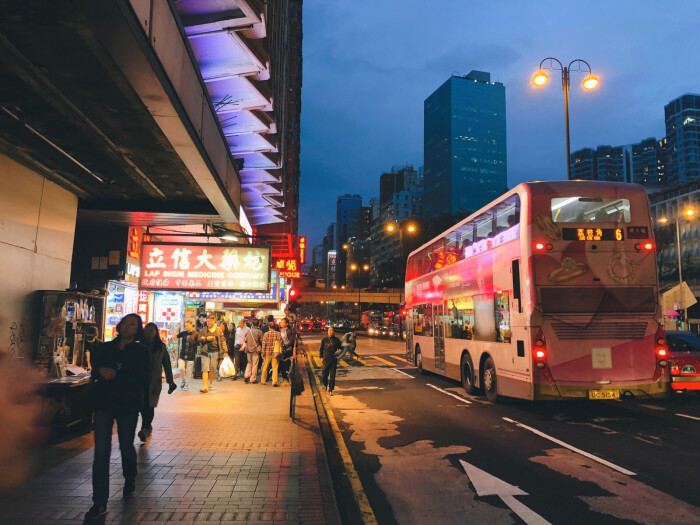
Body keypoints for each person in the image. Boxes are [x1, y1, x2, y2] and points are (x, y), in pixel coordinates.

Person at [85, 313, 150, 520]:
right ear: (119, 326)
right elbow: (94, 370)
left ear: (137, 329)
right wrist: (100, 372)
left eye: (132, 325)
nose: (127, 327)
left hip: (128, 405)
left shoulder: (141, 352)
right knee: (101, 452)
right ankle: (99, 502)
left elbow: (143, 379)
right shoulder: (105, 348)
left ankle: (129, 476)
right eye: (125, 323)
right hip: (104, 404)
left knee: (126, 446)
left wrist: (117, 376)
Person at [138, 323, 176, 442]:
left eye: (151, 331)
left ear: (156, 333)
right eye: (146, 331)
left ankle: (145, 427)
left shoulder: (161, 347)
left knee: (150, 405)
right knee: (143, 405)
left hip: (154, 381)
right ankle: (147, 427)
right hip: (141, 381)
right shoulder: (139, 346)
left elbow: (167, 364)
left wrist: (170, 381)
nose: (148, 333)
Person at [198, 315, 228, 393]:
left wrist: (225, 351)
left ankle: (210, 383)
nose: (208, 323)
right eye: (207, 321)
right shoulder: (203, 330)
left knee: (213, 369)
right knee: (205, 369)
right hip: (205, 352)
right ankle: (205, 387)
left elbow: (222, 340)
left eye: (210, 321)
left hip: (215, 352)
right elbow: (199, 340)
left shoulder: (218, 330)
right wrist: (206, 338)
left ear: (214, 321)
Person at [319, 326, 342, 396]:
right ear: (327, 331)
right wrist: (321, 357)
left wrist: (339, 351)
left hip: (333, 359)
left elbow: (340, 348)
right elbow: (321, 348)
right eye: (329, 330)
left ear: (333, 331)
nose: (330, 332)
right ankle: (325, 385)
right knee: (324, 374)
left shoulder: (337, 340)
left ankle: (331, 389)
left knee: (332, 375)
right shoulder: (324, 339)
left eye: (331, 330)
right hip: (326, 358)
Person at [176, 321, 198, 390]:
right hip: (182, 355)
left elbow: (199, 343)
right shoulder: (184, 333)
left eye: (187, 325)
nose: (186, 327)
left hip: (191, 355)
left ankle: (186, 386)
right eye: (185, 326)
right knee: (181, 368)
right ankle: (183, 380)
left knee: (189, 372)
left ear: (191, 325)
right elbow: (174, 337)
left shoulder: (196, 334)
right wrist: (178, 328)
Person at [244, 318, 264, 384]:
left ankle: (246, 375)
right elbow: (262, 341)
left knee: (249, 363)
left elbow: (245, 340)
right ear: (258, 324)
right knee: (255, 364)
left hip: (248, 350)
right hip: (255, 350)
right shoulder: (259, 332)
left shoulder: (248, 331)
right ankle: (252, 379)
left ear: (252, 324)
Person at [277, 317, 296, 382]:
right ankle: (284, 377)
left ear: (287, 324)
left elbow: (291, 341)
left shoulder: (288, 331)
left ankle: (286, 377)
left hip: (287, 350)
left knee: (284, 364)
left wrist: (285, 347)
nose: (281, 323)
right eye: (281, 322)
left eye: (283, 322)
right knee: (281, 364)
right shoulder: (281, 330)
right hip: (282, 349)